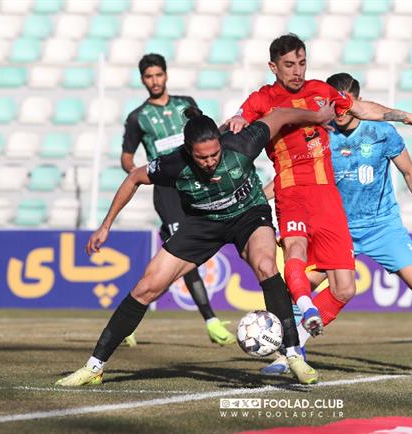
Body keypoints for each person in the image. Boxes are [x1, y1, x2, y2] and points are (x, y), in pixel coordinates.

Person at [55, 103, 336, 387]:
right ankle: (94, 366)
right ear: (189, 151)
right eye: (202, 157)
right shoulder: (173, 164)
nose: (211, 161)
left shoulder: (242, 143)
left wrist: (317, 116)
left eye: (215, 154)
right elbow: (134, 178)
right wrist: (105, 225)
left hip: (248, 215)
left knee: (266, 265)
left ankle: (293, 355)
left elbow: (280, 115)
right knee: (146, 287)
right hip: (204, 224)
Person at [264, 73, 412, 381]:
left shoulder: (382, 132)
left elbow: (410, 172)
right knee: (302, 286)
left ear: (357, 102)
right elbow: (290, 177)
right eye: (335, 103)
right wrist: (258, 198)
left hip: (382, 226)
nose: (340, 110)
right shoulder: (320, 135)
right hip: (337, 228)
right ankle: (290, 352)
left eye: (346, 103)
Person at [224, 34, 412, 341]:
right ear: (273, 67)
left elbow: (362, 109)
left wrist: (405, 116)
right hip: (291, 190)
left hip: (327, 196)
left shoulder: (321, 91)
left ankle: (295, 337)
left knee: (345, 288)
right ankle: (304, 315)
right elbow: (240, 118)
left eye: (302, 63)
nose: (297, 71)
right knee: (295, 248)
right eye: (289, 65)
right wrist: (237, 119)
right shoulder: (263, 99)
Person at [121, 53, 234, 347]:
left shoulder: (186, 104)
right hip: (168, 190)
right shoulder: (137, 118)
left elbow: (206, 134)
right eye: (149, 76)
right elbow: (127, 158)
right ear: (142, 80)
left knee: (175, 256)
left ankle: (129, 317)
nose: (154, 81)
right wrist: (138, 174)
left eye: (158, 74)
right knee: (182, 254)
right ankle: (211, 321)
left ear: (166, 75)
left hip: (197, 184)